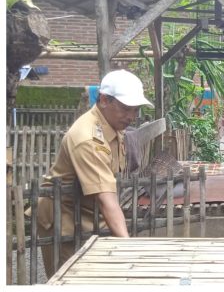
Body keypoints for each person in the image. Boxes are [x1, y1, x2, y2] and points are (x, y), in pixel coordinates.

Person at [37, 70, 152, 278]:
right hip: (64, 218)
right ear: (104, 100)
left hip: (89, 212)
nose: (131, 117)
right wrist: (129, 248)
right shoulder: (87, 138)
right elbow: (107, 199)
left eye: (136, 110)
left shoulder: (112, 125)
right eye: (126, 109)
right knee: (71, 278)